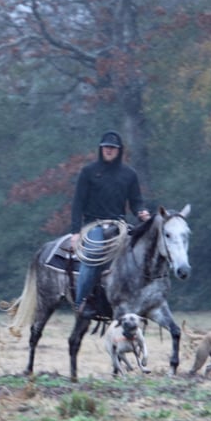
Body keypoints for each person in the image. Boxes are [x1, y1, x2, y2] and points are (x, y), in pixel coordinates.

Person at [70, 130, 150, 319]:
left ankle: (139, 299)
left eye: (112, 148)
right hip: (94, 225)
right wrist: (75, 232)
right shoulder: (88, 172)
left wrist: (142, 213)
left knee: (141, 254)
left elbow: (136, 200)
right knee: (92, 257)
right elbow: (78, 203)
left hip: (119, 224)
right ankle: (82, 301)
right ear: (101, 149)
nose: (108, 150)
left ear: (119, 150)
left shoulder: (129, 174)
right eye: (106, 147)